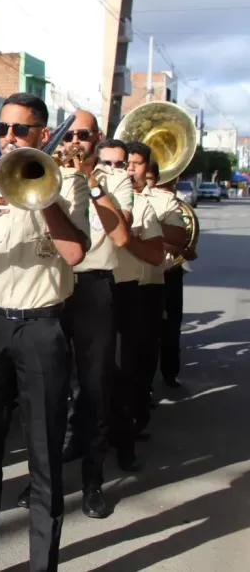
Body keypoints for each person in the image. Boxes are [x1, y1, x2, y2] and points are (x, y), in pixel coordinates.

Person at [0, 93, 90, 572]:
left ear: (41, 134)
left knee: (45, 455)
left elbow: (74, 253)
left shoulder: (69, 182)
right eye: (1, 129)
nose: (7, 138)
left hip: (40, 327)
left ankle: (42, 565)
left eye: (19, 130)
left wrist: (42, 193)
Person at [23, 113, 134, 519]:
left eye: (82, 135)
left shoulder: (115, 178)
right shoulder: (45, 170)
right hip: (51, 285)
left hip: (92, 287)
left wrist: (90, 180)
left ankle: (92, 482)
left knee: (94, 387)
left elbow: (120, 234)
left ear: (97, 138)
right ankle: (42, 480)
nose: (74, 141)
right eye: (68, 134)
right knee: (46, 390)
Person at [105, 139, 163, 471]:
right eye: (109, 164)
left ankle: (124, 444)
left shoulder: (143, 207)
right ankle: (79, 438)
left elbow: (155, 256)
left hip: (125, 291)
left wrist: (126, 236)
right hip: (85, 290)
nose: (118, 170)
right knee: (80, 376)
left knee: (124, 374)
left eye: (123, 164)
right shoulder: (80, 195)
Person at [135, 158, 187, 418]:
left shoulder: (165, 200)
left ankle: (162, 378)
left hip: (160, 275)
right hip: (121, 280)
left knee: (160, 333)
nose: (131, 171)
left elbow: (180, 238)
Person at [156, 177, 197, 388]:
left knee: (172, 324)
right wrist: (178, 248)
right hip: (146, 269)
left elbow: (185, 235)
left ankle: (170, 372)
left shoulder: (177, 203)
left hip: (172, 271)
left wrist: (180, 249)